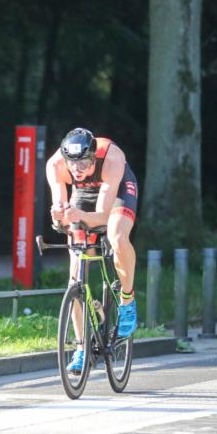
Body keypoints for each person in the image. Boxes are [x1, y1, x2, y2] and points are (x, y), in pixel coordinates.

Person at [46, 127, 138, 373]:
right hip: (83, 195)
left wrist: (81, 216)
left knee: (116, 236)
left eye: (85, 162)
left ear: (94, 157)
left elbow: (103, 216)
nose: (77, 169)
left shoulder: (111, 159)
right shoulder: (55, 166)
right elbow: (60, 212)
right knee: (73, 278)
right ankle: (81, 348)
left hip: (115, 192)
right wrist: (59, 216)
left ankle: (127, 300)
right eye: (72, 164)